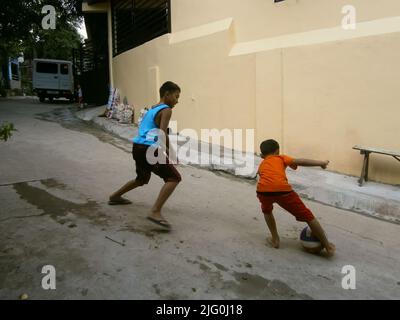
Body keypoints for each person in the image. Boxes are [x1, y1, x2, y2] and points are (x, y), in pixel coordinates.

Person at [108, 81, 181, 230]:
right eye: (176, 96)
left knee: (141, 179)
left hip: (138, 147)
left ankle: (114, 196)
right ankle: (155, 211)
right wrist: (171, 153)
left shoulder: (152, 108)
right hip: (149, 149)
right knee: (174, 178)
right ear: (167, 94)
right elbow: (162, 133)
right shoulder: (166, 110)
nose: (177, 101)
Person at [256, 139, 336, 256]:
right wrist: (321, 163)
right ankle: (328, 247)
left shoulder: (262, 164)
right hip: (283, 190)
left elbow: (261, 174)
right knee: (308, 216)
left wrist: (265, 159)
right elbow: (301, 161)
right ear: (277, 150)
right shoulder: (281, 158)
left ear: (263, 154)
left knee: (267, 211)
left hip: (263, 191)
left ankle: (275, 239)